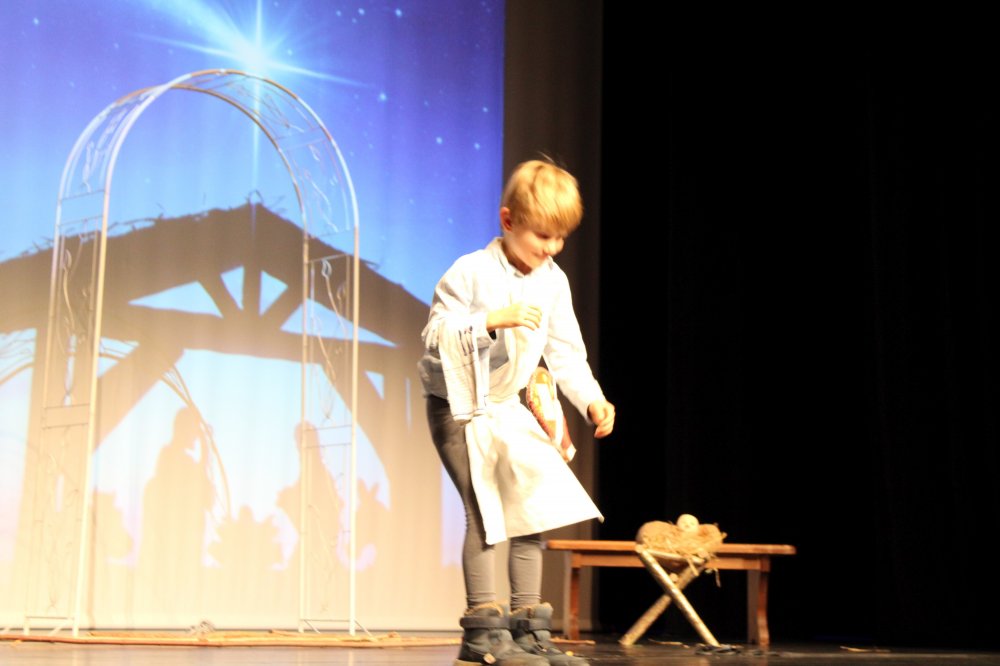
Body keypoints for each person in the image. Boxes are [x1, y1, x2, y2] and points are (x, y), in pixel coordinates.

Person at [419, 157, 615, 665]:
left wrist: (592, 399)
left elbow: (566, 352)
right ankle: (484, 635)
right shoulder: (470, 271)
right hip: (458, 405)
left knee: (532, 506)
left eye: (560, 238)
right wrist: (491, 320)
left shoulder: (553, 281)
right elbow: (435, 334)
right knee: (484, 512)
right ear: (508, 221)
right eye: (542, 236)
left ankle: (529, 630)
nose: (551, 248)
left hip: (507, 405)